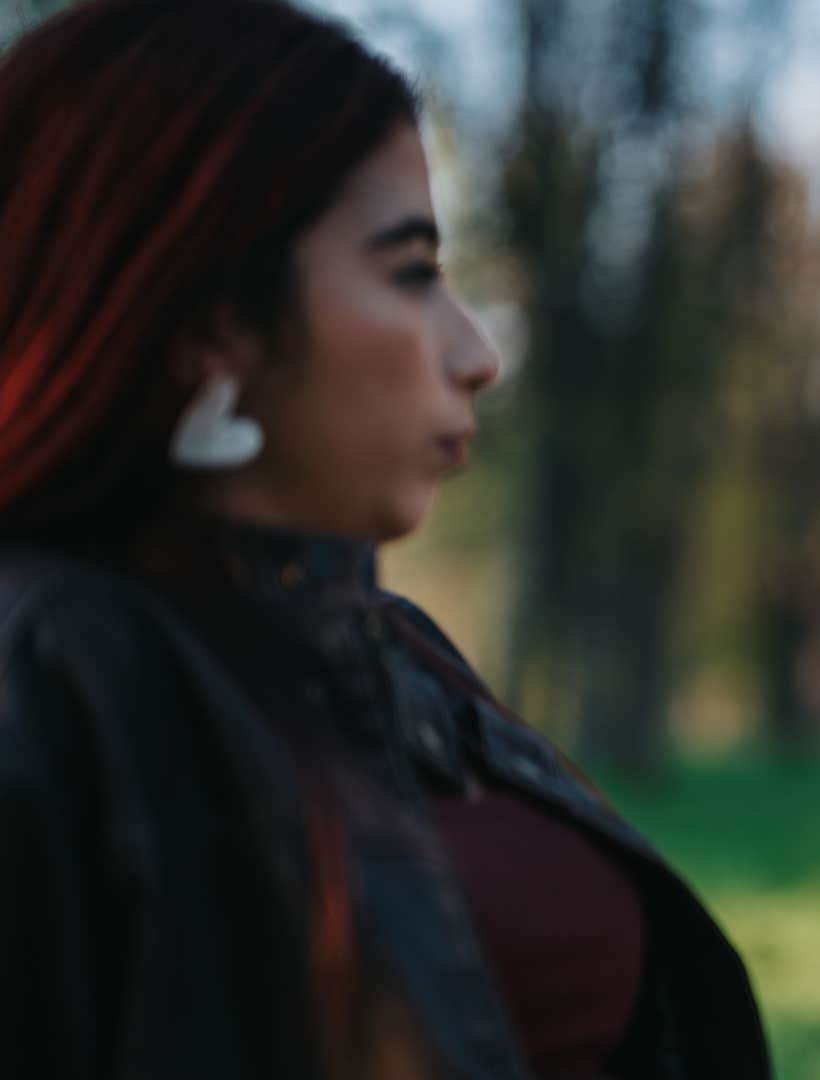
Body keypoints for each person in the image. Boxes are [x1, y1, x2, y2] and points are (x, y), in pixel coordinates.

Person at [0, 2, 767, 1077]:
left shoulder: (388, 653)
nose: (476, 352)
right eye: (411, 272)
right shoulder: (51, 664)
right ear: (216, 319)